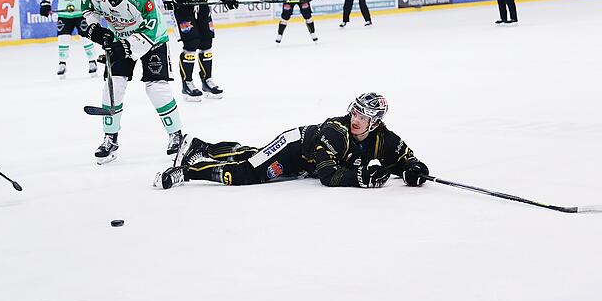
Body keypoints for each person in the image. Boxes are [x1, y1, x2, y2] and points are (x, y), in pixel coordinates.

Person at [153, 92, 429, 190]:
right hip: (293, 147)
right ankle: (187, 171)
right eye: (355, 111)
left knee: (251, 153)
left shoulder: (383, 138)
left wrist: (413, 171)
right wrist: (362, 178)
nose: (355, 118)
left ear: (376, 122)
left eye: (363, 115)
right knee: (245, 173)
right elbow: (327, 175)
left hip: (302, 163)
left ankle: (201, 146)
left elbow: (407, 158)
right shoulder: (337, 130)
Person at [82, 0, 185, 164]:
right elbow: (87, 11)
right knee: (113, 87)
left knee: (156, 87)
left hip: (153, 40)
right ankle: (110, 139)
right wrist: (95, 30)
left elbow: (151, 27)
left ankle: (176, 136)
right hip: (120, 38)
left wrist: (125, 48)